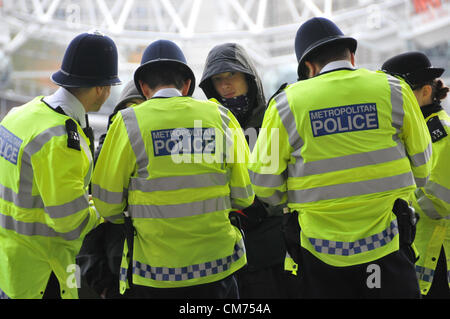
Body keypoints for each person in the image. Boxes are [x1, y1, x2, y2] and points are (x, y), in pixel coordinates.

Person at [249, 17, 432, 298]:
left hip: (320, 254)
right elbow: (423, 168)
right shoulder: (394, 89)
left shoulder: (285, 104)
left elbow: (263, 185)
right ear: (352, 56)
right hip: (388, 248)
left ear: (308, 67)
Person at [92, 39, 254, 299]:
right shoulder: (221, 117)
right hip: (218, 266)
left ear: (143, 87)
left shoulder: (128, 123)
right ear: (187, 85)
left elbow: (106, 205)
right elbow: (245, 195)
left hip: (155, 274)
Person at [0, 30, 121, 299]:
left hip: (10, 265)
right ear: (102, 88)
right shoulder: (61, 141)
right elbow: (72, 224)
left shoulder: (20, 115)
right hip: (45, 275)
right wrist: (102, 209)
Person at [199, 42, 300, 298]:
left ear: (249, 77)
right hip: (226, 254)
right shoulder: (207, 131)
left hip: (275, 251)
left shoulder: (272, 119)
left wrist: (262, 207)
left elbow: (292, 177)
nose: (225, 85)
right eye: (218, 80)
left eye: (231, 75)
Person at [382, 52, 450, 299]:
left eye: (401, 94)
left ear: (425, 92)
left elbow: (438, 203)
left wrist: (391, 197)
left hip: (435, 260)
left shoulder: (440, 134)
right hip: (413, 252)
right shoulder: (408, 130)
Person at [76, 80, 144, 299]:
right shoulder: (102, 154)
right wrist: (100, 281)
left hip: (154, 277)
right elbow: (87, 226)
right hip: (114, 279)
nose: (132, 115)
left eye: (141, 107)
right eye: (128, 107)